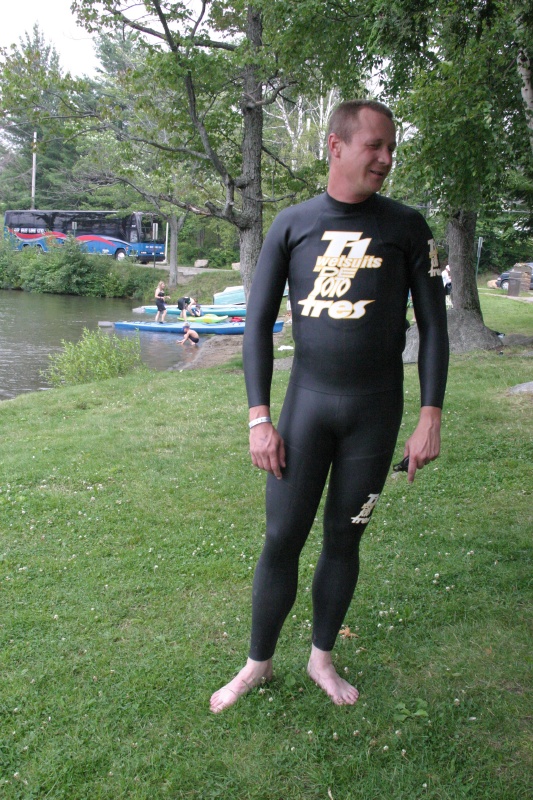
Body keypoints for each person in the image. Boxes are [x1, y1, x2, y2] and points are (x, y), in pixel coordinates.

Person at [210, 99, 449, 714]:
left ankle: (321, 656)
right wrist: (259, 418)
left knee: (345, 541)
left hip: (375, 414)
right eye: (375, 145)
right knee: (281, 537)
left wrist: (431, 416)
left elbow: (433, 327)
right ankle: (257, 663)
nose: (387, 157)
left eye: (391, 146)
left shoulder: (405, 226)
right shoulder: (292, 225)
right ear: (335, 145)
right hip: (306, 408)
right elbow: (257, 324)